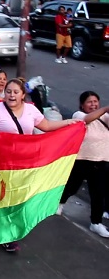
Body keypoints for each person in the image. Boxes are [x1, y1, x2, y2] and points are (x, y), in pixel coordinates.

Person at [0, 78, 79, 252]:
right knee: (0, 199)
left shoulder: (31, 110)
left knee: (18, 199)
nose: (11, 95)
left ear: (23, 95)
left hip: (24, 163)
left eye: (16, 92)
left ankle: (9, 234)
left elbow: (46, 125)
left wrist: (68, 124)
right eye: (8, 91)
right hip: (0, 164)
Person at [58, 91, 109, 238]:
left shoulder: (105, 117)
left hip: (101, 161)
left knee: (98, 193)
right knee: (72, 186)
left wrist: (105, 113)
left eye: (95, 102)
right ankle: (59, 204)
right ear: (82, 105)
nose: (93, 105)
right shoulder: (78, 115)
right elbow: (86, 119)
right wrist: (104, 109)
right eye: (89, 102)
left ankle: (96, 223)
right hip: (82, 159)